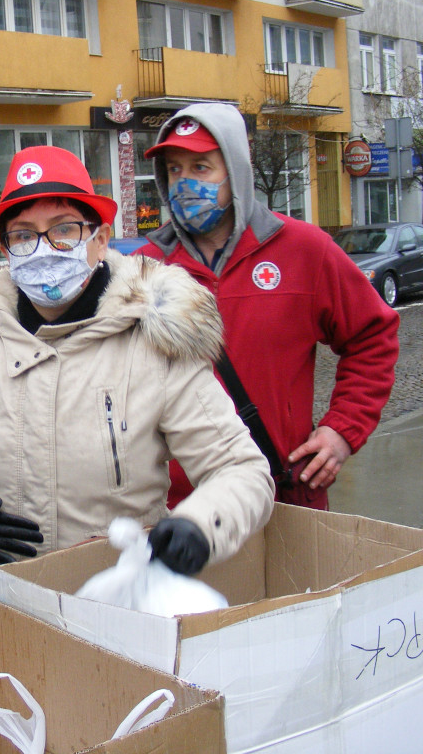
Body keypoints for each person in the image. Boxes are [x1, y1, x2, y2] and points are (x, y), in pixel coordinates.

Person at [0, 145, 274, 596]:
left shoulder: (155, 343)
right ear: (5, 249)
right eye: (23, 235)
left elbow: (239, 470)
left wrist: (200, 526)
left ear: (99, 239)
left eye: (63, 229)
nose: (43, 248)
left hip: (116, 606)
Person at [136, 103, 400, 511]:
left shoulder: (305, 250)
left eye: (201, 167)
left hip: (281, 496)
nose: (184, 183)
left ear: (236, 171)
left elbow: (372, 336)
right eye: (174, 169)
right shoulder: (144, 269)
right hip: (181, 506)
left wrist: (343, 430)